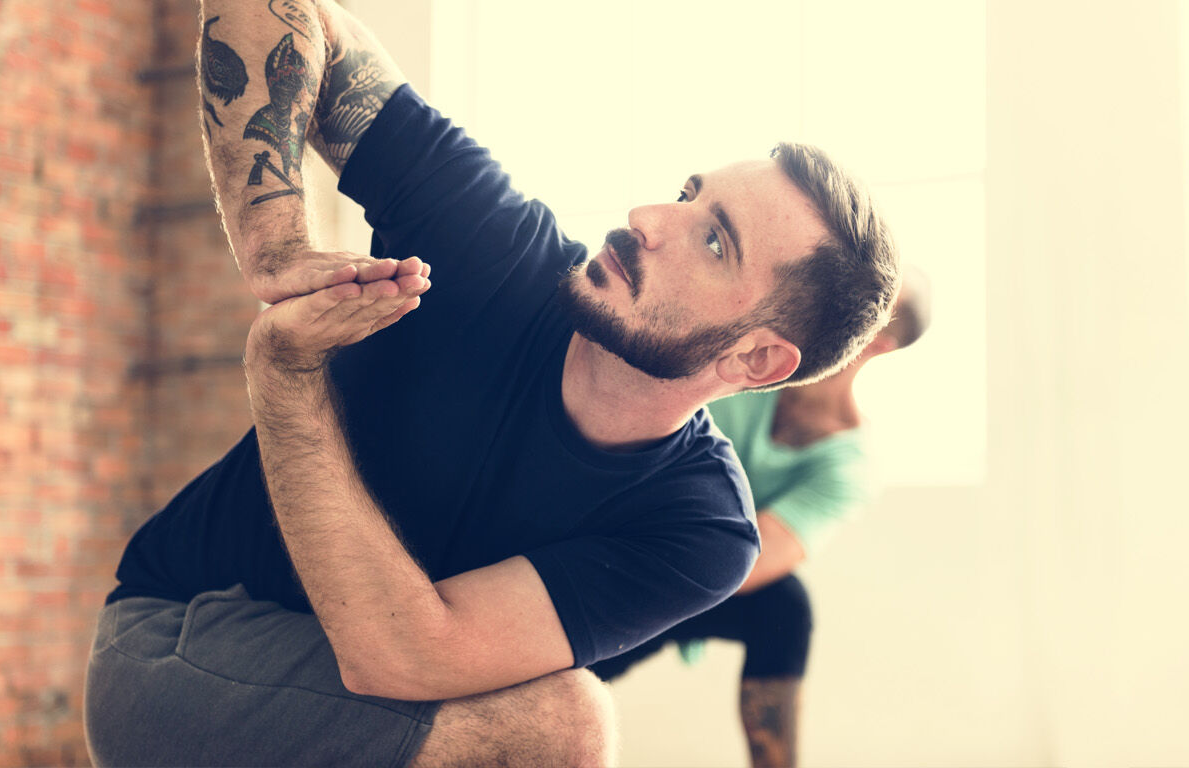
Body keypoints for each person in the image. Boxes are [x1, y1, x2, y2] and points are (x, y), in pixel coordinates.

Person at [83, 1, 900, 766]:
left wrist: (286, 377)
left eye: (715, 242)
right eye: (689, 194)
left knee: (564, 715)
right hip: (175, 643)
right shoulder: (496, 248)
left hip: (343, 680)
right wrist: (274, 248)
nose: (651, 218)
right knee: (558, 725)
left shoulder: (702, 527)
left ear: (757, 361)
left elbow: (402, 653)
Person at [589, 274, 931, 768]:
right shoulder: (762, 361)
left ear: (878, 343)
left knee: (785, 606)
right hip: (617, 521)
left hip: (682, 574)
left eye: (871, 300)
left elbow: (753, 564)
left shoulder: (850, 467)